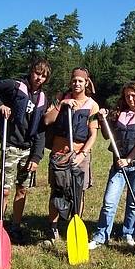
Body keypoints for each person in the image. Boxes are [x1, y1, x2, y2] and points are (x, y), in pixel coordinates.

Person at [0, 58, 51, 243]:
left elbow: (40, 131)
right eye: (37, 73)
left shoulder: (43, 99)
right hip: (11, 145)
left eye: (44, 76)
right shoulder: (15, 86)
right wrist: (1, 105)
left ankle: (15, 228)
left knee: (22, 190)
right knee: (5, 190)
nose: (39, 78)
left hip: (28, 150)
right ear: (31, 72)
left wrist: (36, 157)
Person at [89, 82, 135, 250]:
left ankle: (128, 233)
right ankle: (101, 236)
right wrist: (102, 119)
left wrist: (129, 159)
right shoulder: (118, 114)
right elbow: (106, 134)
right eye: (127, 96)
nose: (130, 98)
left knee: (133, 204)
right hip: (118, 166)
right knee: (109, 202)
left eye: (133, 95)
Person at [43, 67, 99, 243]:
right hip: (59, 154)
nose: (77, 83)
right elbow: (46, 120)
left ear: (86, 83)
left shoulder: (92, 105)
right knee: (57, 191)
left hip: (79, 156)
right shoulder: (61, 99)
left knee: (78, 193)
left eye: (80, 81)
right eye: (74, 80)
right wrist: (62, 105)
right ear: (71, 82)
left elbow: (93, 135)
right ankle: (52, 229)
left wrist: (83, 154)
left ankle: (74, 226)